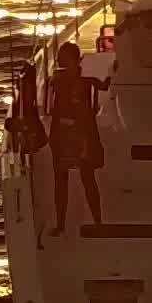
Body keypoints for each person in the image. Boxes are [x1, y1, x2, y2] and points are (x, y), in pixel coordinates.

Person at [46, 40, 110, 236]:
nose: (60, 62)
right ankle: (63, 223)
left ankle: (95, 221)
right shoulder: (69, 80)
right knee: (65, 179)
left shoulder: (73, 80)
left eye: (63, 58)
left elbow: (102, 86)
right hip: (70, 134)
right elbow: (102, 85)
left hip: (78, 134)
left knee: (84, 178)